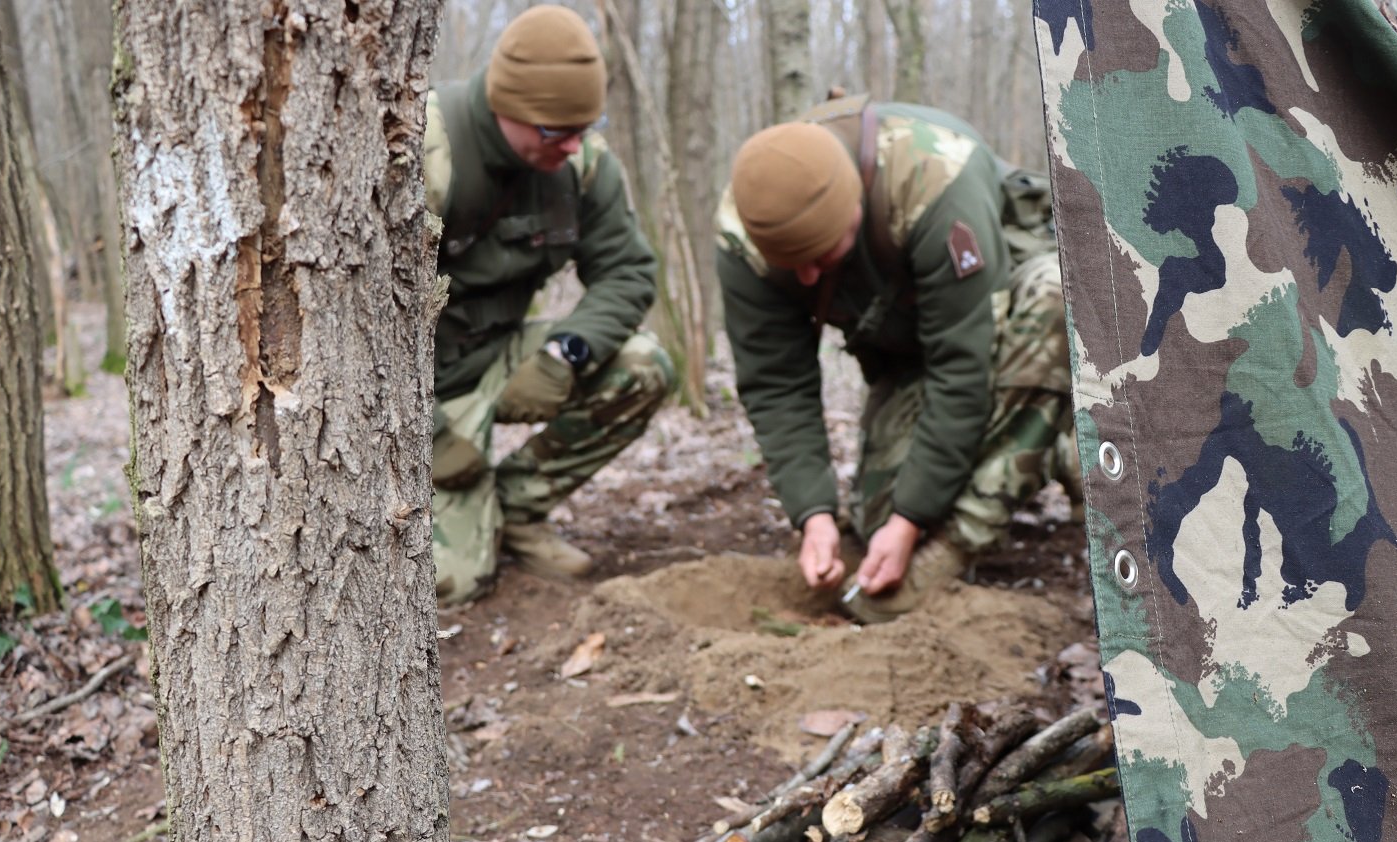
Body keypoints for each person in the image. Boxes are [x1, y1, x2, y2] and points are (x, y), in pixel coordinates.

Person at [717, 96, 1078, 623]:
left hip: (1000, 319)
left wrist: (915, 524)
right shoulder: (745, 229)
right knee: (876, 522)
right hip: (907, 356)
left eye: (822, 256)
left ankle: (965, 534)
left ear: (857, 209)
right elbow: (775, 383)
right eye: (793, 267)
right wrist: (814, 515)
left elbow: (962, 370)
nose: (810, 279)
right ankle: (1049, 444)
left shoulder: (935, 180)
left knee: (1058, 297)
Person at [423, 5, 671, 602]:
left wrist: (567, 351)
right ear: (506, 108)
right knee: (452, 586)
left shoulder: (580, 163)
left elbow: (628, 271)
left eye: (586, 126)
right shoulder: (428, 151)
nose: (575, 145)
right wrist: (424, 433)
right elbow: (350, 330)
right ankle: (463, 505)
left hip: (501, 356)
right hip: (415, 391)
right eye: (557, 132)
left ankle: (516, 505)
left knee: (643, 366)